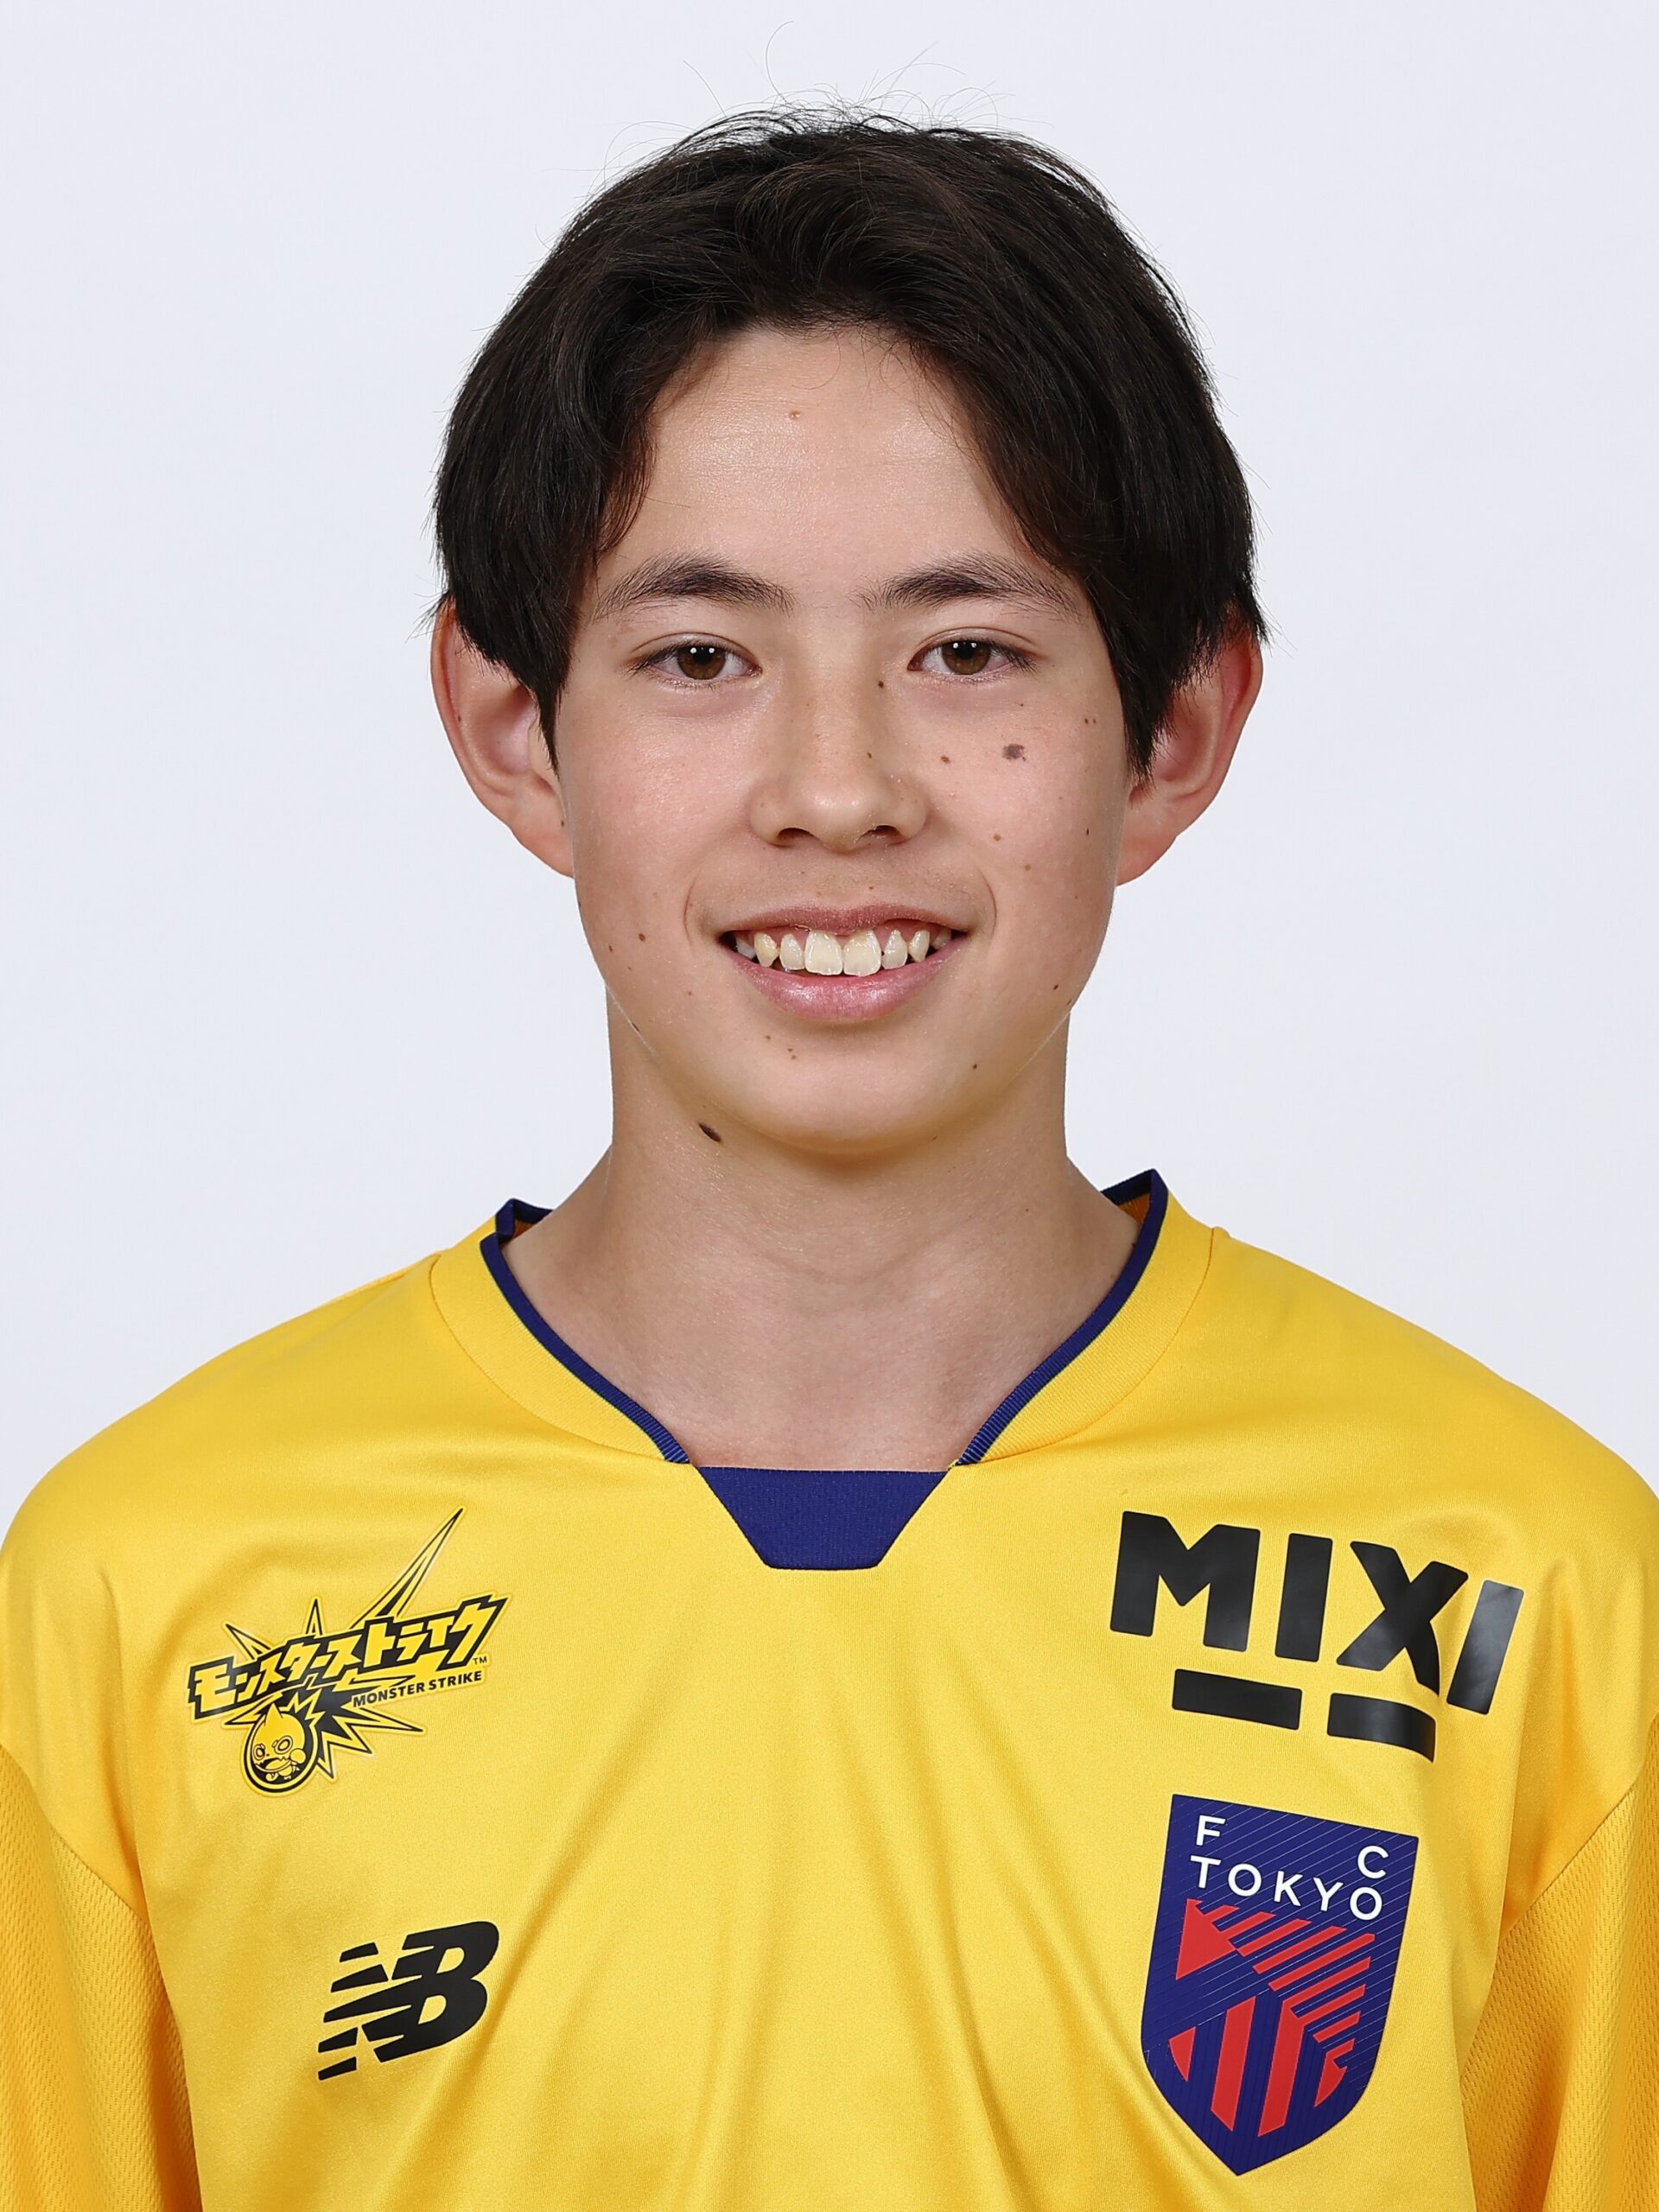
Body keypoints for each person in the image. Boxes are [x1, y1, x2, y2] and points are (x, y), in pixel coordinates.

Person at [1, 105, 1653, 2212]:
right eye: (701, 657)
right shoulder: (146, 1589)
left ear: (1173, 731)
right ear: (516, 729)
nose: (840, 786)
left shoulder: (1531, 1586)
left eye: (967, 652)